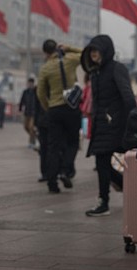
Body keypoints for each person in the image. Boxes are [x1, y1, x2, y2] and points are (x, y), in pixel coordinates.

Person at [81, 35, 136, 216]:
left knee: (102, 161)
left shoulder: (115, 68)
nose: (93, 54)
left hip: (115, 124)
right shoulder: (96, 72)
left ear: (105, 50)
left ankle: (104, 202)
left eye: (96, 50)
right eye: (91, 51)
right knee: (102, 162)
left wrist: (128, 122)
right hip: (102, 125)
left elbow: (128, 97)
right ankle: (125, 189)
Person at [36, 39, 82, 193]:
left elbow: (40, 92)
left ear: (45, 53)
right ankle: (65, 169)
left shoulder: (45, 68)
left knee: (53, 146)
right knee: (73, 142)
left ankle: (52, 183)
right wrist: (69, 47)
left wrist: (47, 106)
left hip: (54, 109)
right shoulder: (70, 60)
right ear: (57, 48)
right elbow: (84, 54)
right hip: (71, 108)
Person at [19, 78, 38, 149]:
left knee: (31, 128)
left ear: (33, 84)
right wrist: (20, 108)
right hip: (27, 112)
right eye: (29, 83)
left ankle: (31, 143)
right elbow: (22, 100)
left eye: (31, 83)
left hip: (34, 113)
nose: (30, 85)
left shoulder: (36, 91)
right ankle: (35, 136)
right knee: (26, 127)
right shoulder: (25, 92)